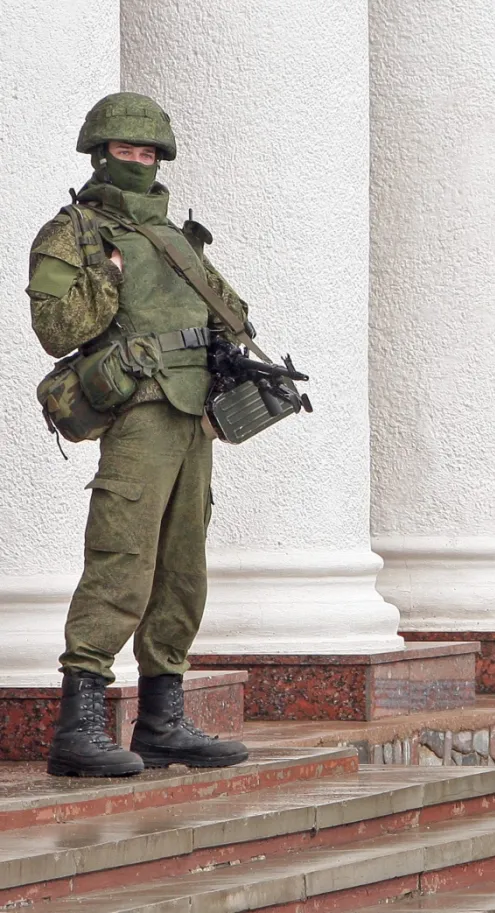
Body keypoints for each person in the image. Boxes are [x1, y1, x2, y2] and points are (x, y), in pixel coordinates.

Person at [27, 92, 250, 776]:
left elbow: (233, 312)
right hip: (139, 410)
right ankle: (81, 724)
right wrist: (110, 279)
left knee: (183, 570)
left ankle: (163, 719)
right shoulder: (74, 232)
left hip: (193, 415)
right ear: (99, 154)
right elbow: (56, 329)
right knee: (122, 558)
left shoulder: (180, 238)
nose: (138, 161)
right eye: (126, 151)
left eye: (148, 152)